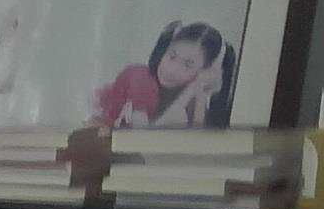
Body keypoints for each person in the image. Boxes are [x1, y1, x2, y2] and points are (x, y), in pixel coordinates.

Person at [93, 21, 238, 129]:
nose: (171, 70)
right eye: (171, 56)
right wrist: (189, 92)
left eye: (187, 65)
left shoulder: (189, 93)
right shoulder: (140, 78)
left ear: (203, 71)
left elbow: (196, 142)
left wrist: (201, 93)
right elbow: (143, 140)